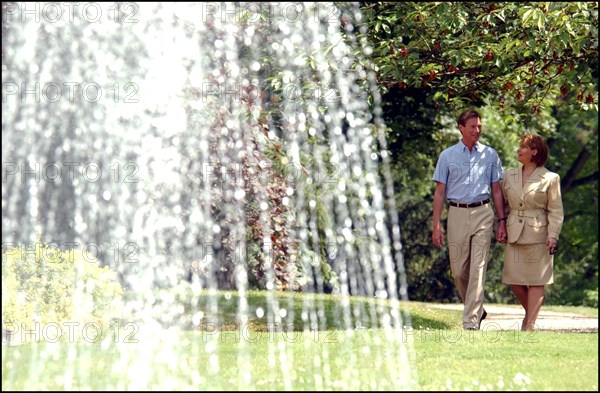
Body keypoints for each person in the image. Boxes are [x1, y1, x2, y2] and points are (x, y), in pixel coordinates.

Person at [432, 109, 507, 330]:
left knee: (478, 267)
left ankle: (471, 322)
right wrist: (436, 225)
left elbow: (496, 190)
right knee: (458, 270)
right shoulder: (447, 156)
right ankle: (476, 309)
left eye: (479, 126)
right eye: (472, 126)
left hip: (484, 212)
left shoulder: (490, 155)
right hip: (456, 213)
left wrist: (501, 220)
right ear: (461, 128)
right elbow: (439, 193)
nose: (477, 130)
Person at [499, 134, 563, 331]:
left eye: (523, 147)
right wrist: (500, 226)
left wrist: (553, 235)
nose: (518, 150)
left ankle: (529, 325)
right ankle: (531, 316)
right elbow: (502, 204)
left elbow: (556, 209)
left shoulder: (551, 178)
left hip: (539, 233)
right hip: (514, 231)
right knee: (513, 279)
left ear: (534, 151)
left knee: (536, 280)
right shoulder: (509, 174)